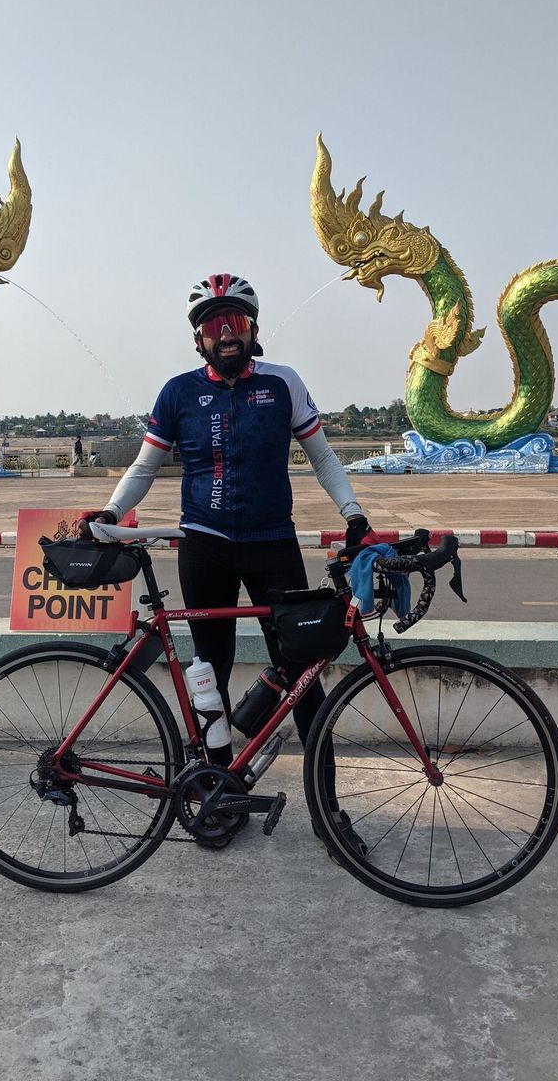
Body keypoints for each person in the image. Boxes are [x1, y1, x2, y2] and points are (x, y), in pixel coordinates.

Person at [77, 273, 374, 846]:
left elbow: (322, 457)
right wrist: (111, 510)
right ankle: (220, 795)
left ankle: (328, 814)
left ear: (254, 330)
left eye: (236, 322)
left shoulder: (283, 383)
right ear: (199, 339)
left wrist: (354, 513)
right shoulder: (177, 393)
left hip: (273, 544)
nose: (226, 333)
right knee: (207, 675)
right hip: (205, 546)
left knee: (305, 678)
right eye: (214, 325)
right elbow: (145, 466)